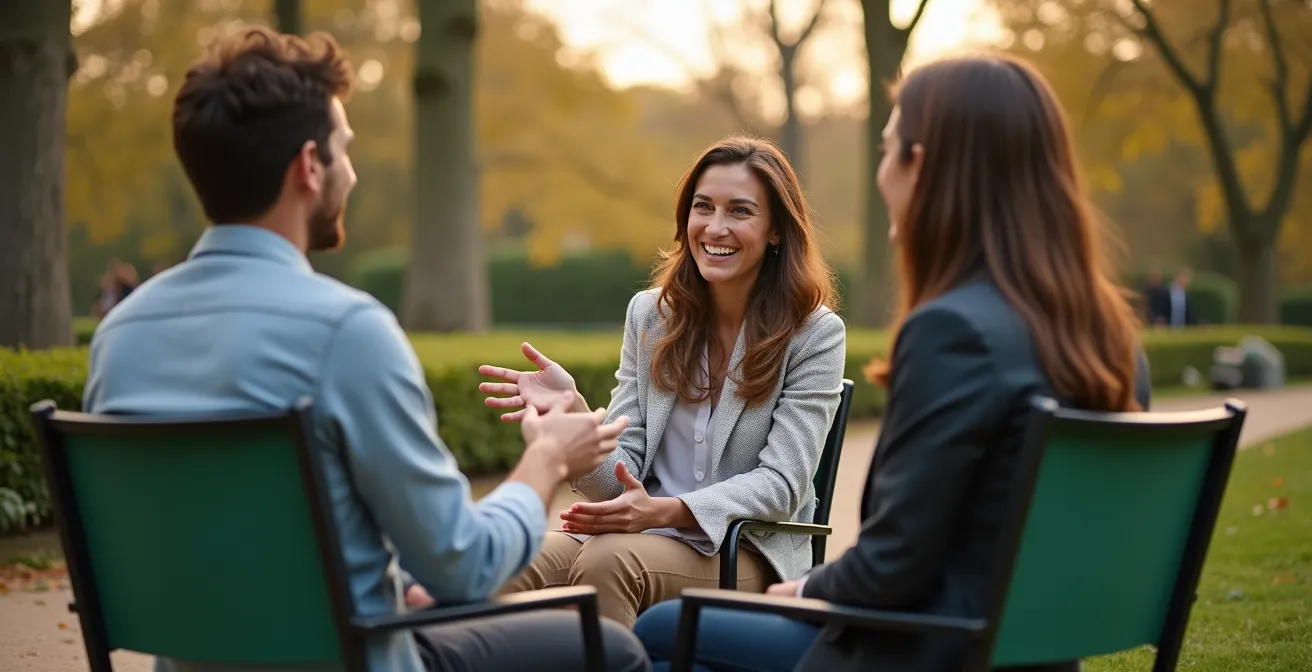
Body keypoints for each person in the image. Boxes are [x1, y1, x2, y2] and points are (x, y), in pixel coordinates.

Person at [82, 27, 647, 672]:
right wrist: (545, 460)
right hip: (348, 661)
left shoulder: (121, 334)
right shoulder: (346, 333)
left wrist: (399, 574)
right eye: (344, 151)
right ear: (308, 166)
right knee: (614, 652)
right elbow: (466, 565)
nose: (351, 171)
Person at [634, 54, 1151, 672]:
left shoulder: (952, 332)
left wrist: (806, 591)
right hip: (1028, 651)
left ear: (921, 166)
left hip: (918, 649)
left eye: (887, 149)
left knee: (664, 629)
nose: (882, 173)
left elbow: (893, 563)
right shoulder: (1110, 337)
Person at [472, 136, 847, 627]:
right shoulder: (651, 316)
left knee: (607, 563)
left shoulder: (814, 334)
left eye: (740, 211)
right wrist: (576, 417)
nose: (715, 227)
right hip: (641, 539)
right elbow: (617, 482)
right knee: (495, 566)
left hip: (743, 549)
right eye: (703, 207)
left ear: (776, 229)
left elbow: (781, 484)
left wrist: (663, 513)